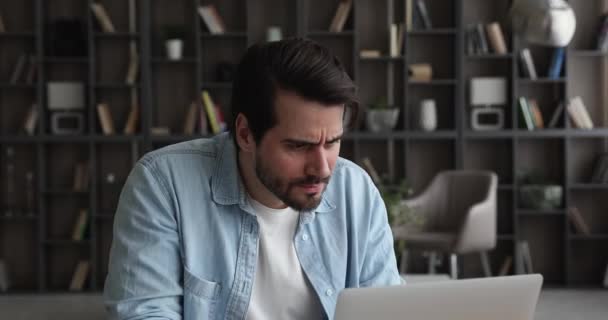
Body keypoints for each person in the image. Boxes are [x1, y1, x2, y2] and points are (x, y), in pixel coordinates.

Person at [103, 37, 402, 320]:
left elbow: (387, 308)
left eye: (332, 142)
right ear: (246, 134)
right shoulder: (162, 184)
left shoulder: (356, 190)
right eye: (299, 146)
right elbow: (146, 311)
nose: (322, 168)